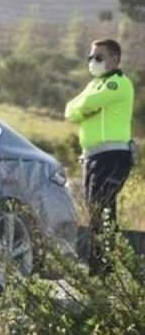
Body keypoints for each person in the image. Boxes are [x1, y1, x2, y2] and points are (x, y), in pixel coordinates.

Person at [65, 39, 135, 273]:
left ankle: (102, 267)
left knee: (101, 209)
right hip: (92, 158)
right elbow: (70, 110)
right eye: (90, 57)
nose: (92, 62)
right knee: (96, 209)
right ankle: (104, 266)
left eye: (98, 57)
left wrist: (86, 107)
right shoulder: (95, 84)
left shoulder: (117, 84)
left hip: (113, 156)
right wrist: (85, 108)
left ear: (114, 59)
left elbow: (86, 104)